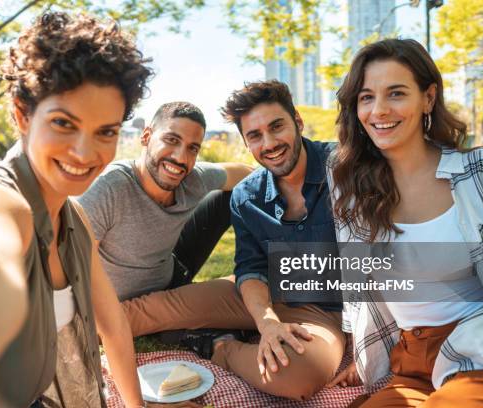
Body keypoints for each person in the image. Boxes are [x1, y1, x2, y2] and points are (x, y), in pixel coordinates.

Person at [0, 12, 159, 408]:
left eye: (105, 132)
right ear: (23, 114)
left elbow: (113, 324)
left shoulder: (74, 220)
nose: (84, 152)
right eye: (63, 123)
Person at [121, 80, 345, 401]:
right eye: (255, 135)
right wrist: (266, 322)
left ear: (297, 121)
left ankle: (219, 346)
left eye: (276, 127)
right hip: (261, 292)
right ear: (246, 142)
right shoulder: (246, 196)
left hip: (325, 311)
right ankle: (55, 333)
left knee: (296, 376)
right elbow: (251, 268)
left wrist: (371, 349)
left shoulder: (344, 168)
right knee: (148, 311)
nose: (269, 143)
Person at [328, 38, 483, 407]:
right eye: (366, 97)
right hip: (409, 361)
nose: (379, 110)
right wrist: (358, 350)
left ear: (428, 98)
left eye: (396, 93)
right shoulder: (350, 186)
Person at [79, 101, 252, 301]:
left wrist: (285, 183)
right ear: (146, 136)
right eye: (171, 140)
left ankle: (281, 267)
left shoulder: (191, 178)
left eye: (192, 148)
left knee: (237, 192)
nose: (180, 157)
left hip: (173, 275)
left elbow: (243, 173)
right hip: (128, 303)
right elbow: (74, 268)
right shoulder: (108, 188)